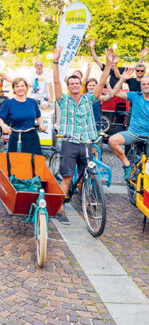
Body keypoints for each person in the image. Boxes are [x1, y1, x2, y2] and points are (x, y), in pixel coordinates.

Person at [52, 46, 114, 224]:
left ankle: (87, 203)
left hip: (87, 143)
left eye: (77, 83)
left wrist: (108, 64)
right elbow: (56, 83)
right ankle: (60, 208)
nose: (75, 85)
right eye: (71, 83)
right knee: (68, 177)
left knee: (88, 174)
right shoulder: (63, 100)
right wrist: (56, 62)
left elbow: (102, 83)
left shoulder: (89, 98)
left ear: (81, 84)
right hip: (70, 143)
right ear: (68, 86)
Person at [108, 68, 149, 179]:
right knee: (112, 140)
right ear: (140, 86)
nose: (146, 86)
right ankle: (127, 165)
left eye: (148, 84)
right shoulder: (135, 96)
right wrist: (122, 79)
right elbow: (114, 92)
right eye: (143, 84)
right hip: (134, 133)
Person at [0, 78, 46, 155]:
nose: (20, 88)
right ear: (13, 89)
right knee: (15, 164)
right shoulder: (8, 103)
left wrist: (41, 124)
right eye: (17, 86)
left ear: (26, 88)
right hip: (16, 137)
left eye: (22, 86)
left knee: (33, 163)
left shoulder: (32, 102)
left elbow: (38, 116)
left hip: (32, 137)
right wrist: (3, 125)